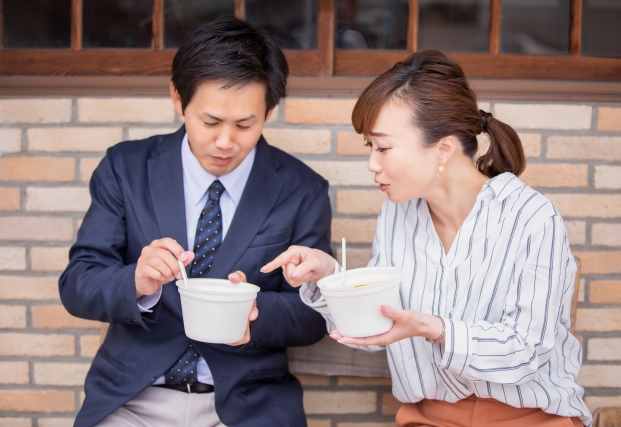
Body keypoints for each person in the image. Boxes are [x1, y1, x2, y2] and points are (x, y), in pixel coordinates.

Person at [263, 49, 591, 427]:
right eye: (369, 147)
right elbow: (374, 328)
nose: (372, 163)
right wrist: (329, 277)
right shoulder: (397, 211)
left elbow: (527, 351)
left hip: (532, 418)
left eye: (383, 147)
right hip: (428, 418)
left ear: (443, 149)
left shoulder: (531, 217)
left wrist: (433, 329)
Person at [59, 17, 330, 427]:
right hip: (133, 399)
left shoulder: (302, 189)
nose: (225, 142)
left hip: (247, 401)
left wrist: (254, 311)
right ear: (176, 98)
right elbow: (77, 284)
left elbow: (314, 316)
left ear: (269, 111)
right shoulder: (126, 169)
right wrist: (137, 280)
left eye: (245, 125)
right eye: (210, 122)